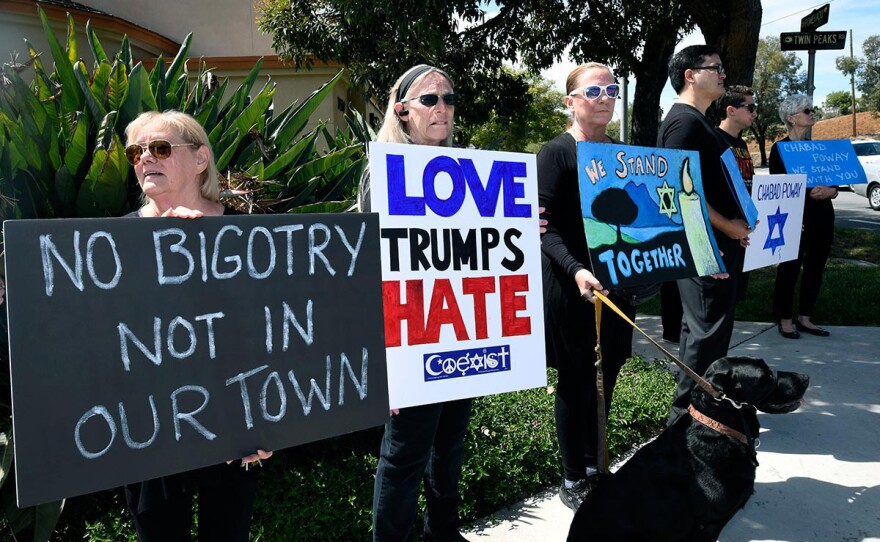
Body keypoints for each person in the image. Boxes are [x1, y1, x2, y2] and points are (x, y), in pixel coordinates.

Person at [122, 110, 272, 542]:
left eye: (161, 148)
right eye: (137, 152)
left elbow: (271, 331)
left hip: (230, 428)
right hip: (150, 434)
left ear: (201, 158)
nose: (146, 158)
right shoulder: (114, 243)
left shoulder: (245, 235)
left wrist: (271, 422)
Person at [360, 65, 471, 542]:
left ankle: (442, 533)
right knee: (404, 455)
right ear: (402, 111)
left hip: (464, 330)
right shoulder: (382, 172)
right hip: (411, 337)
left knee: (450, 446)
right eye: (430, 100)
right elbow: (370, 266)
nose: (442, 107)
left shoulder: (471, 171)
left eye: (448, 98)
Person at [537, 62, 638, 512]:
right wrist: (577, 269)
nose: (605, 97)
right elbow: (542, 228)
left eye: (612, 90)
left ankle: (598, 466)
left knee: (607, 378)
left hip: (618, 288)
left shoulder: (620, 154)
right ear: (570, 101)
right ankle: (573, 477)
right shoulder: (555, 153)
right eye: (593, 90)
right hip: (571, 286)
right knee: (577, 382)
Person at [657, 45, 752, 426]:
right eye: (715, 68)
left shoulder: (699, 122)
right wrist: (727, 228)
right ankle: (687, 421)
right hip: (704, 248)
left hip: (713, 245)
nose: (723, 74)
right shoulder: (684, 123)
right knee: (706, 337)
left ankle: (694, 413)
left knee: (701, 335)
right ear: (690, 75)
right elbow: (680, 193)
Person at [769, 94, 837, 339]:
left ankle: (805, 317)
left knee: (816, 268)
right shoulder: (780, 149)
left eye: (811, 109)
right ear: (791, 118)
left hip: (823, 217)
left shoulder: (819, 149)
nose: (812, 113)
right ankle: (785, 319)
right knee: (789, 268)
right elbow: (778, 190)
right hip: (795, 219)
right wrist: (790, 219)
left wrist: (831, 191)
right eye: (806, 110)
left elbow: (835, 185)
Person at [715, 85, 758, 300]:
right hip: (722, 232)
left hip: (740, 231)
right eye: (750, 107)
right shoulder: (714, 140)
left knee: (733, 297)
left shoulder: (741, 144)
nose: (755, 113)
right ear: (731, 110)